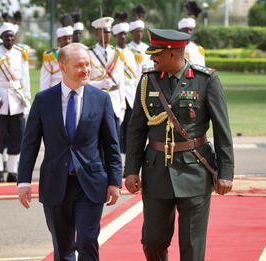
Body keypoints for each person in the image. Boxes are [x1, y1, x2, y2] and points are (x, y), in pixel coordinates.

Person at [124, 28, 234, 260]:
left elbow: (223, 131)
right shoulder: (148, 81)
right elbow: (136, 130)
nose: (152, 58)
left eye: (157, 54)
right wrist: (131, 170)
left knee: (192, 246)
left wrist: (226, 172)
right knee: (153, 240)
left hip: (194, 170)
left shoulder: (206, 80)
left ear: (174, 54)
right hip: (156, 171)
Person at [17, 43, 122, 261]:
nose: (86, 70)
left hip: (91, 183)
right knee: (63, 248)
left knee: (86, 240)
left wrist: (114, 181)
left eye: (88, 65)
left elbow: (112, 144)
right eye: (79, 66)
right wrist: (23, 181)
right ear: (63, 68)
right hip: (56, 183)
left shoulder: (101, 99)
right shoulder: (43, 100)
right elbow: (30, 144)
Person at [0, 21, 30, 182]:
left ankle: (12, 171)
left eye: (11, 36)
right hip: (0, 101)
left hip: (17, 101)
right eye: (6, 36)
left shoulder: (20, 53)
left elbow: (25, 79)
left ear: (14, 37)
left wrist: (27, 101)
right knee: (0, 138)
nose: (9, 39)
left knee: (17, 137)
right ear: (1, 37)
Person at [88, 17, 126, 141]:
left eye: (109, 32)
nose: (107, 35)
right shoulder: (89, 53)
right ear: (97, 33)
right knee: (96, 142)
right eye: (103, 31)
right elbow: (85, 82)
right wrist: (100, 84)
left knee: (113, 142)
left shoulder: (116, 53)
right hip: (95, 102)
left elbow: (121, 81)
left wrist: (122, 104)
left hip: (114, 102)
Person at [112, 14, 142, 153]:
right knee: (118, 125)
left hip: (131, 93)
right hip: (117, 93)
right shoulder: (112, 53)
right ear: (116, 36)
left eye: (124, 34)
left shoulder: (133, 53)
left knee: (131, 125)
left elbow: (138, 74)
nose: (122, 37)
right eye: (119, 34)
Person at [40, 15, 73, 91]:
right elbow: (44, 81)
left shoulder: (77, 55)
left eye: (69, 38)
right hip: (55, 92)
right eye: (64, 39)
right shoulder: (50, 56)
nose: (67, 41)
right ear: (59, 40)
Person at [178, 1, 206, 66]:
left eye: (190, 30)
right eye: (185, 30)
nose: (188, 32)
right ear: (180, 31)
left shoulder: (198, 49)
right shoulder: (173, 49)